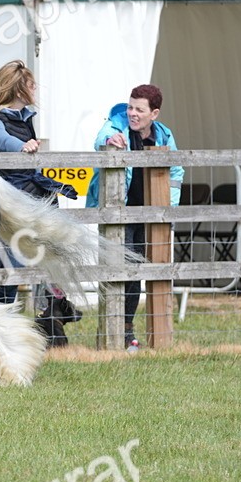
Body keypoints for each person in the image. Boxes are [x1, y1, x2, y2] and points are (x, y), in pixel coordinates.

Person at [0, 60, 79, 343]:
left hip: (23, 203)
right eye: (31, 83)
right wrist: (22, 147)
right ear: (18, 87)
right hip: (2, 208)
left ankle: (53, 310)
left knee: (15, 271)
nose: (35, 88)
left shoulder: (24, 118)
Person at [86, 84, 183, 351]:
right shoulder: (117, 126)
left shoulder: (164, 136)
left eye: (139, 109)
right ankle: (111, 331)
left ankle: (127, 330)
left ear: (154, 114)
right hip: (119, 214)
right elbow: (101, 138)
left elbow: (176, 171)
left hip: (150, 215)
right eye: (130, 107)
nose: (132, 113)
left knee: (137, 274)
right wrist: (109, 141)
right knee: (118, 269)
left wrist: (167, 211)